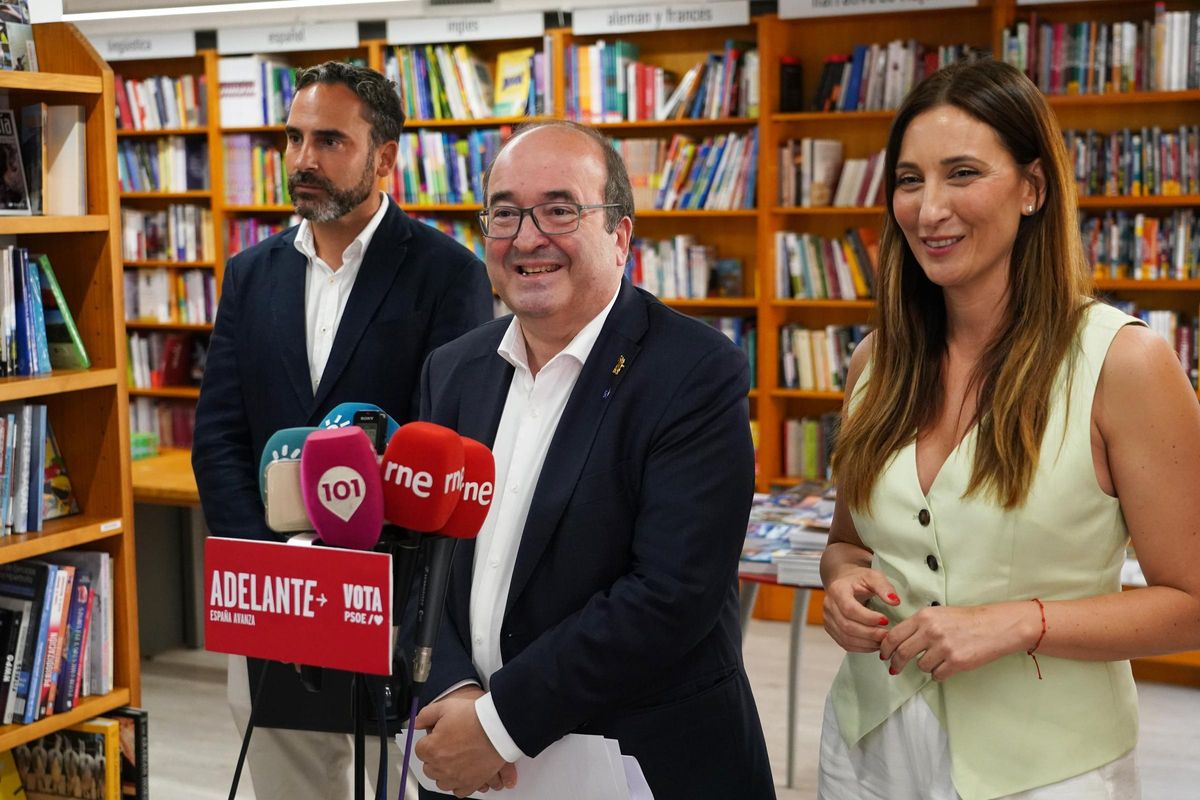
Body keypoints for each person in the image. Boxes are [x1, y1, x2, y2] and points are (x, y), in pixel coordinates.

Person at [817, 58, 1200, 800]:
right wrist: (841, 581)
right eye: (908, 180)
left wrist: (1020, 622)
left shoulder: (1124, 364)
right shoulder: (875, 363)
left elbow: (1191, 602)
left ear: (1033, 187)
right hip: (865, 748)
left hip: (1049, 770)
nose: (929, 209)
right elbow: (847, 542)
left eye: (962, 173)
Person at [411, 120, 776, 799]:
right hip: (467, 763)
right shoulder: (452, 371)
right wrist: (455, 691)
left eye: (559, 209)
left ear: (619, 235)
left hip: (639, 764)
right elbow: (417, 557)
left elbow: (670, 596)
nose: (526, 237)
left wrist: (496, 724)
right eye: (504, 212)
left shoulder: (696, 372)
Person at [191, 60, 493, 799]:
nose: (303, 160)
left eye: (330, 140)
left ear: (384, 157)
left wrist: (360, 570)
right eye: (294, 139)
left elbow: (447, 442)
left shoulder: (447, 274)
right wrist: (275, 565)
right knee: (286, 779)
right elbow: (219, 434)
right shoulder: (250, 272)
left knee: (390, 782)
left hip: (389, 592)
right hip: (271, 591)